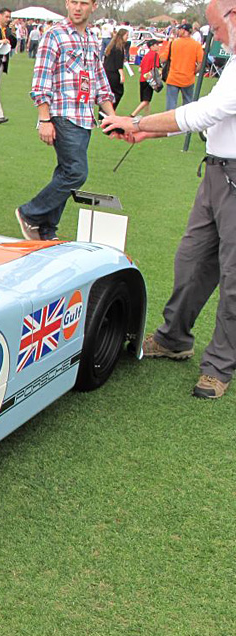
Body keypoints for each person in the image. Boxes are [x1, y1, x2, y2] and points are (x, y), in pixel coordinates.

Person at [101, 0, 236, 398]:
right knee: (191, 260)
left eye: (217, 29)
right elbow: (211, 117)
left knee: (233, 279)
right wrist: (148, 133)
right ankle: (174, 337)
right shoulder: (233, 60)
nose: (217, 40)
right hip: (215, 172)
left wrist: (138, 122)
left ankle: (219, 365)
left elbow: (208, 111)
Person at [15, 0, 115, 241]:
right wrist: (44, 119)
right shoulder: (54, 35)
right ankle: (30, 213)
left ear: (93, 6)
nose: (77, 7)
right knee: (76, 173)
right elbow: (41, 78)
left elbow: (98, 79)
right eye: (73, 2)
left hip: (84, 117)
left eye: (83, 3)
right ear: (67, 4)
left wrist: (112, 116)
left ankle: (47, 230)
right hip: (62, 114)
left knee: (65, 172)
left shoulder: (93, 37)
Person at [163, 23, 204, 110]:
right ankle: (185, 123)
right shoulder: (196, 45)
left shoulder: (173, 43)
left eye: (180, 29)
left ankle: (169, 122)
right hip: (188, 78)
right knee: (188, 105)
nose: (178, 31)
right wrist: (194, 72)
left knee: (170, 105)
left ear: (184, 31)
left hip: (173, 77)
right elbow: (200, 63)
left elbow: (163, 59)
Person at [130, 39, 160, 117]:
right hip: (149, 79)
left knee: (145, 99)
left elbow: (140, 69)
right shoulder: (155, 55)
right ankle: (133, 114)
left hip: (142, 79)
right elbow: (155, 68)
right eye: (157, 45)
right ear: (152, 46)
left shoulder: (146, 55)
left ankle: (147, 116)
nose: (159, 46)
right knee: (146, 100)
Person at [102, 27, 127, 108]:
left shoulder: (111, 46)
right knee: (118, 92)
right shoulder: (119, 48)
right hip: (113, 72)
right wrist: (122, 75)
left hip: (107, 71)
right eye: (126, 35)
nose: (127, 37)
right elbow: (118, 63)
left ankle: (102, 113)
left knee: (108, 93)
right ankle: (110, 110)